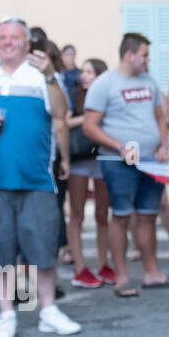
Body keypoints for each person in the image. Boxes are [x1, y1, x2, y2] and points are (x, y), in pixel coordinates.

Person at [0, 18, 81, 337]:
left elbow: (61, 113)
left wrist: (52, 75)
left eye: (15, 37)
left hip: (36, 178)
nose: (8, 42)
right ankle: (6, 314)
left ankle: (48, 311)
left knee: (43, 246)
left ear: (26, 43)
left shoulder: (42, 76)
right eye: (3, 37)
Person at [82, 32, 169, 297]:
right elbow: (89, 126)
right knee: (121, 216)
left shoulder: (148, 81)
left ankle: (152, 273)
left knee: (148, 216)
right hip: (117, 161)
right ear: (129, 55)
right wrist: (119, 145)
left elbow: (160, 116)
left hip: (151, 163)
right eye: (144, 54)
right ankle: (122, 277)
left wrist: (163, 145)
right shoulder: (105, 84)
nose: (147, 60)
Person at [65, 58, 113, 288]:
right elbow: (63, 123)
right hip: (79, 159)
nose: (84, 76)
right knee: (77, 215)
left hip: (102, 157)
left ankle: (104, 263)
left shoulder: (108, 96)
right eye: (83, 71)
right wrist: (88, 119)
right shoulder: (73, 95)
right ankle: (80, 268)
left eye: (89, 72)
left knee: (103, 215)